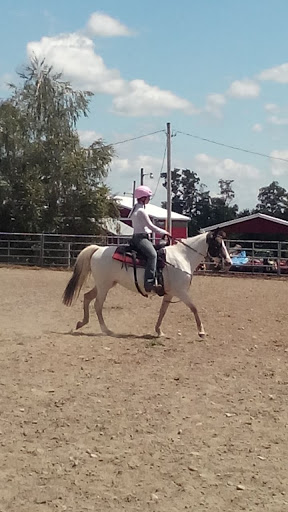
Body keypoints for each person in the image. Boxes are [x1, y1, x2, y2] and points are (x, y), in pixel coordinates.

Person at [129, 185, 171, 294]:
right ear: (143, 198)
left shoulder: (135, 208)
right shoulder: (141, 211)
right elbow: (151, 226)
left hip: (138, 237)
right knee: (153, 255)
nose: (149, 199)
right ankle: (149, 283)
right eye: (148, 197)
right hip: (141, 238)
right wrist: (165, 232)